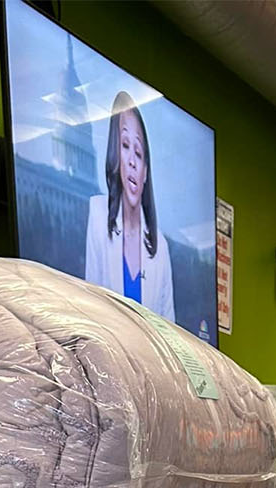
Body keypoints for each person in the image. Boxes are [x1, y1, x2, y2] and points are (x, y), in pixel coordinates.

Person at [83, 92, 174, 321]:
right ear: (116, 156)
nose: (132, 161)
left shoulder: (160, 247)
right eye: (125, 146)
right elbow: (89, 312)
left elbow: (171, 331)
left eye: (139, 153)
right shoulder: (97, 215)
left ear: (145, 171)